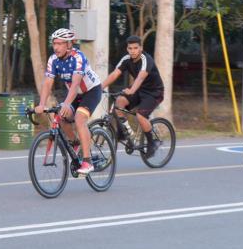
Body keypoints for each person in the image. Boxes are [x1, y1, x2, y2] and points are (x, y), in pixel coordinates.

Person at [35, 28, 103, 175]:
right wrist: (41, 104)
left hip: (91, 91)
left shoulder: (78, 58)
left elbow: (76, 84)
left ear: (68, 45)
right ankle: (76, 143)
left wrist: (66, 103)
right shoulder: (53, 60)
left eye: (60, 43)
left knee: (79, 119)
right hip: (75, 95)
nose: (56, 47)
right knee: (62, 117)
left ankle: (87, 161)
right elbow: (47, 83)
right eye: (54, 43)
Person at [101, 35, 164, 157]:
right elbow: (115, 74)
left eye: (136, 48)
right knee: (119, 102)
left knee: (141, 116)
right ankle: (124, 133)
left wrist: (132, 90)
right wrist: (100, 88)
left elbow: (140, 77)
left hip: (154, 92)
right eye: (130, 48)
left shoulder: (146, 59)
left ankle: (152, 142)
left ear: (140, 48)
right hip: (139, 90)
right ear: (127, 49)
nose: (133, 51)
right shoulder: (126, 59)